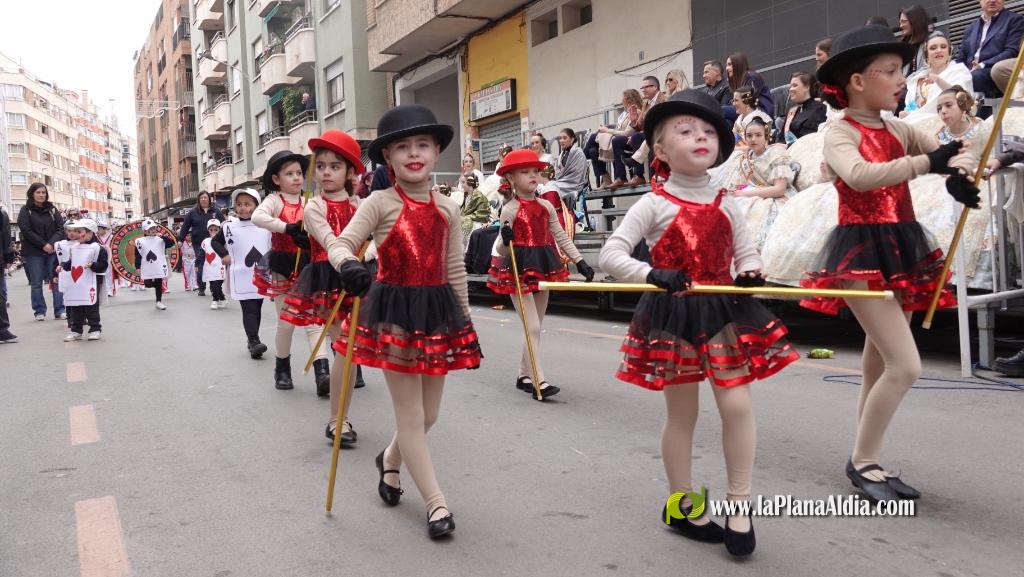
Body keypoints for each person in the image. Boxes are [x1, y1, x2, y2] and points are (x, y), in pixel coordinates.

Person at [599, 89, 799, 557]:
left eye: (708, 130)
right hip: (673, 316)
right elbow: (611, 255)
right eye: (685, 131)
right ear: (662, 151)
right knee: (682, 415)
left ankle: (739, 504)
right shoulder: (653, 204)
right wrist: (652, 273)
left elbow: (747, 255)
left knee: (737, 407)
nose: (700, 137)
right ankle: (682, 503)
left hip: (723, 315)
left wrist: (750, 275)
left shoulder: (729, 202)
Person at [807, 24, 980, 502]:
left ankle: (868, 455)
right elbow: (861, 177)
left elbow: (954, 152)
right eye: (889, 72)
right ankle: (863, 463)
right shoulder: (839, 132)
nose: (901, 80)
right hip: (861, 252)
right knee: (906, 367)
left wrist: (959, 174)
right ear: (858, 81)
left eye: (901, 71)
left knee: (878, 362)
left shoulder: (899, 127)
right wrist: (931, 164)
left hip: (901, 247)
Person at [326, 104, 483, 540]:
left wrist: (466, 322)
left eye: (422, 145)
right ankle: (435, 502)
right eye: (402, 147)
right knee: (411, 415)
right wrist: (348, 266)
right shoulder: (378, 202)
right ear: (389, 158)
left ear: (436, 152)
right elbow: (341, 244)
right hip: (394, 316)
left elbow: (455, 270)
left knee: (429, 414)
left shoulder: (450, 208)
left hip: (438, 314)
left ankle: (390, 460)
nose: (414, 154)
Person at [278, 129, 366, 439]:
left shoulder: (360, 207)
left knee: (351, 349)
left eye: (335, 166)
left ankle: (342, 416)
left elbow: (379, 238)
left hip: (359, 281)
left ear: (350, 172)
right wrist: (349, 263)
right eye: (322, 165)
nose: (326, 172)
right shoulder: (314, 206)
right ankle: (336, 420)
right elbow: (329, 241)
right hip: (328, 279)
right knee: (346, 345)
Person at [488, 148, 595, 399]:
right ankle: (539, 380)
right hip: (518, 266)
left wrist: (580, 262)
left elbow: (559, 235)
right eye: (525, 172)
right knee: (532, 326)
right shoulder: (510, 209)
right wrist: (505, 238)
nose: (533, 175)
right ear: (512, 179)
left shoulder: (546, 206)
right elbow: (504, 250)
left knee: (536, 326)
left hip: (545, 263)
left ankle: (523, 374)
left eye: (535, 171)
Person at [252, 149, 331, 393]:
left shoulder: (312, 200)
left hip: (309, 265)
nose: (297, 178)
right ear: (276, 179)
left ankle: (322, 371)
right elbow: (258, 216)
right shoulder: (274, 200)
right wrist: (287, 228)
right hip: (283, 266)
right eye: (289, 174)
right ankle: (282, 368)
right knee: (286, 323)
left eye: (299, 173)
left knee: (314, 320)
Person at [212, 188, 272, 359]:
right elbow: (216, 243)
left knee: (257, 307)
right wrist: (224, 255)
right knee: (249, 308)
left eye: (247, 204)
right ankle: (253, 341)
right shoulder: (228, 227)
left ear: (256, 205)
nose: (243, 208)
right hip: (240, 275)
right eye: (239, 205)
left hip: (261, 274)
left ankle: (252, 339)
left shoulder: (266, 225)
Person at [727, 117, 798, 250]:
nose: (753, 139)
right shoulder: (747, 156)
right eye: (749, 136)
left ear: (766, 136)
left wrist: (745, 194)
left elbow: (779, 190)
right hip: (751, 193)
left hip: (775, 199)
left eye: (758, 135)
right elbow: (741, 183)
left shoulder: (776, 153)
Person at [17, 183, 65, 321]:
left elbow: (61, 228)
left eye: (43, 192)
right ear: (32, 193)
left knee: (56, 279)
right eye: (38, 192)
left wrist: (51, 244)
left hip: (53, 250)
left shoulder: (52, 209)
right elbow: (26, 230)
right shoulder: (25, 210)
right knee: (37, 282)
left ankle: (60, 309)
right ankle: (39, 311)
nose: (41, 195)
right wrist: (43, 244)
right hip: (34, 252)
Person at [956, 0, 1024, 97]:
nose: (992, 0)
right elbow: (961, 57)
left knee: (976, 76)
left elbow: (1011, 51)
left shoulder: (1015, 20)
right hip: (970, 71)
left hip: (993, 70)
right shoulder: (970, 28)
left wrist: (983, 64)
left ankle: (982, 112)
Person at [902, 32, 973, 124]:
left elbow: (962, 99)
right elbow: (911, 107)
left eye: (943, 47)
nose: (938, 50)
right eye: (933, 48)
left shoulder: (959, 71)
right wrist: (906, 115)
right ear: (927, 55)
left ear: (949, 52)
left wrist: (938, 80)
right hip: (916, 124)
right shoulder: (917, 79)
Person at [584, 89, 643, 189]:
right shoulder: (623, 114)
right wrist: (607, 131)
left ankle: (582, 157)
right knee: (593, 151)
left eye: (623, 98)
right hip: (618, 140)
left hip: (629, 141)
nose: (621, 101)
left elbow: (627, 133)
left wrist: (607, 130)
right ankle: (606, 179)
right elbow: (618, 130)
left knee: (594, 137)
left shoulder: (636, 111)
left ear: (628, 99)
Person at [60, 219, 107, 341]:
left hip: (91, 282)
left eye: (79, 231)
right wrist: (63, 266)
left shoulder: (97, 248)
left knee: (91, 306)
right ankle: (76, 330)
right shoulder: (75, 248)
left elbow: (103, 265)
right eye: (74, 231)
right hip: (77, 283)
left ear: (90, 233)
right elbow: (72, 263)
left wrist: (93, 265)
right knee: (76, 305)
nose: (74, 234)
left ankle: (95, 329)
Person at [177, 191, 223, 296]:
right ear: (198, 200)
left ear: (209, 199)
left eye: (205, 197)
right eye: (201, 197)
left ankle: (214, 286)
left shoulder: (216, 211)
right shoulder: (193, 213)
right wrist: (180, 239)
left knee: (214, 264)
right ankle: (201, 287)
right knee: (201, 265)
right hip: (199, 243)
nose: (203, 199)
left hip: (215, 242)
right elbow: (185, 227)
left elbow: (223, 224)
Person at [135, 219, 176, 310]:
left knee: (158, 282)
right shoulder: (140, 241)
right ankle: (156, 287)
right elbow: (137, 255)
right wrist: (137, 266)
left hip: (159, 265)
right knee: (148, 283)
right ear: (145, 231)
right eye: (150, 228)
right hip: (147, 265)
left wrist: (162, 236)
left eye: (154, 227)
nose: (153, 230)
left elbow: (171, 243)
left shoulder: (160, 239)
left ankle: (159, 301)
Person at [726, 53, 774, 117]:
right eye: (726, 65)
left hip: (760, 112)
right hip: (743, 111)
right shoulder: (736, 81)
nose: (727, 68)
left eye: (730, 64)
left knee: (719, 110)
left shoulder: (752, 77)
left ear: (738, 64)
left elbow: (747, 102)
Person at [551, 128, 588, 210]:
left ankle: (560, 214)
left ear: (572, 139)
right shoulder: (561, 154)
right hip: (561, 182)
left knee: (552, 187)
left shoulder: (578, 153)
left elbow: (578, 173)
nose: (561, 140)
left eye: (565, 138)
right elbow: (557, 170)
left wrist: (559, 179)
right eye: (560, 138)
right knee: (548, 186)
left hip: (573, 183)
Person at [459, 174, 492, 247]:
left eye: (463, 182)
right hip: (470, 220)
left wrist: (465, 218)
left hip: (479, 222)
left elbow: (483, 213)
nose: (461, 185)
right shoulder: (467, 195)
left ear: (470, 183)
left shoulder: (479, 196)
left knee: (465, 224)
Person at [899, 5, 931, 77]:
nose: (901, 25)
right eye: (900, 22)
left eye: (904, 21)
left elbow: (930, 68)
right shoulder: (905, 44)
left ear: (915, 21)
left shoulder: (933, 39)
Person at [200, 220, 227, 309]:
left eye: (216, 229)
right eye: (211, 230)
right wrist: (197, 264)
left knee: (217, 284)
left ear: (219, 230)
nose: (213, 232)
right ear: (208, 230)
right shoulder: (205, 241)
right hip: (209, 267)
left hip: (221, 267)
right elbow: (201, 254)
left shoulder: (223, 241)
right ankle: (221, 299)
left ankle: (215, 300)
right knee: (213, 284)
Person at [0, 206, 16, 343]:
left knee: (1, 295)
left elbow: (5, 236)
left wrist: (8, 256)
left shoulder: (1, 213)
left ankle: (2, 330)